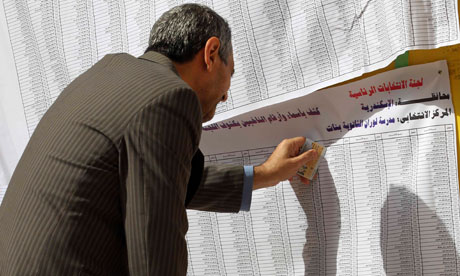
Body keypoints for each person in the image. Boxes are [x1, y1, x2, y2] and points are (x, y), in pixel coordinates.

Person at [0, 3, 317, 275]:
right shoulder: (171, 98)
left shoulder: (110, 71)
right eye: (230, 73)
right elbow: (155, 251)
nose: (226, 95)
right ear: (210, 53)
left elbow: (168, 177)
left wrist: (264, 175)